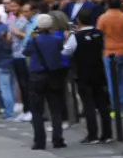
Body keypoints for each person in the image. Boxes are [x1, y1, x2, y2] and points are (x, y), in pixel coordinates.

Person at [62, 8, 113, 144]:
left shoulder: (76, 37)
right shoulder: (99, 34)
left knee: (88, 103)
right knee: (102, 102)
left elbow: (66, 52)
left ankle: (93, 134)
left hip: (83, 71)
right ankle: (107, 134)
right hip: (98, 70)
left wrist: (67, 40)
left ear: (78, 21)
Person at [23, 14, 68, 150]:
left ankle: (39, 141)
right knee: (55, 108)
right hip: (53, 75)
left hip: (37, 76)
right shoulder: (56, 40)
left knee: (37, 110)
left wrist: (33, 34)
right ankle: (57, 138)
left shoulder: (34, 40)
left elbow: (26, 52)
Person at [97, 0, 123, 114]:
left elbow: (99, 35)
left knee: (112, 82)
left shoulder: (103, 18)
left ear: (108, 5)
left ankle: (115, 107)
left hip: (110, 52)